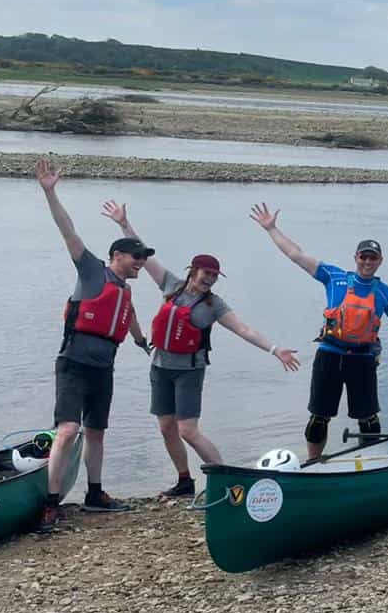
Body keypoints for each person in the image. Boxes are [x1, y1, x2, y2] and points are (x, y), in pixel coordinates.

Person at [99, 204, 301, 497]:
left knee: (188, 430)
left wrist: (275, 349)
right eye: (206, 272)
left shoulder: (214, 305)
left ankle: (231, 481)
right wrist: (124, 224)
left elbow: (244, 329)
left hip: (189, 372)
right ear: (194, 270)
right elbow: (143, 252)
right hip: (160, 366)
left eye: (214, 275)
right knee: (166, 426)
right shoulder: (171, 284)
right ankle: (184, 482)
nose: (210, 278)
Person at [251, 203, 388, 461]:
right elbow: (296, 254)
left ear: (380, 261)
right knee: (319, 417)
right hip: (329, 355)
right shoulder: (334, 277)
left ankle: (371, 462)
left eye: (373, 258)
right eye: (364, 256)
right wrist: (272, 229)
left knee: (368, 418)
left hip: (362, 359)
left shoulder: (384, 293)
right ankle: (313, 463)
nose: (367, 262)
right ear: (356, 257)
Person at [35, 158, 151, 529]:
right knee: (68, 430)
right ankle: (51, 502)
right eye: (136, 258)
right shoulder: (91, 270)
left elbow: (128, 316)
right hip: (74, 363)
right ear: (117, 256)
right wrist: (50, 192)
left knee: (97, 432)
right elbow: (66, 228)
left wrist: (140, 340)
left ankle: (95, 494)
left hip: (104, 366)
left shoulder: (126, 290)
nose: (140, 264)